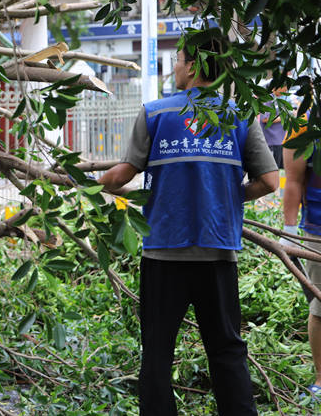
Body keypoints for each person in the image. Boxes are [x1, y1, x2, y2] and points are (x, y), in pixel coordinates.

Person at [99, 40, 278, 415]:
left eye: (178, 60)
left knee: (159, 349)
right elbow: (269, 182)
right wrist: (228, 197)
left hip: (164, 252)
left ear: (194, 66)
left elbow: (122, 175)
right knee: (226, 348)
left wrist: (94, 180)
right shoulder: (240, 116)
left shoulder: (155, 114)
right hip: (218, 251)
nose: (175, 68)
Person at [283, 115, 321, 397]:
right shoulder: (304, 124)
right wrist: (288, 228)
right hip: (318, 232)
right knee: (320, 307)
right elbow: (293, 180)